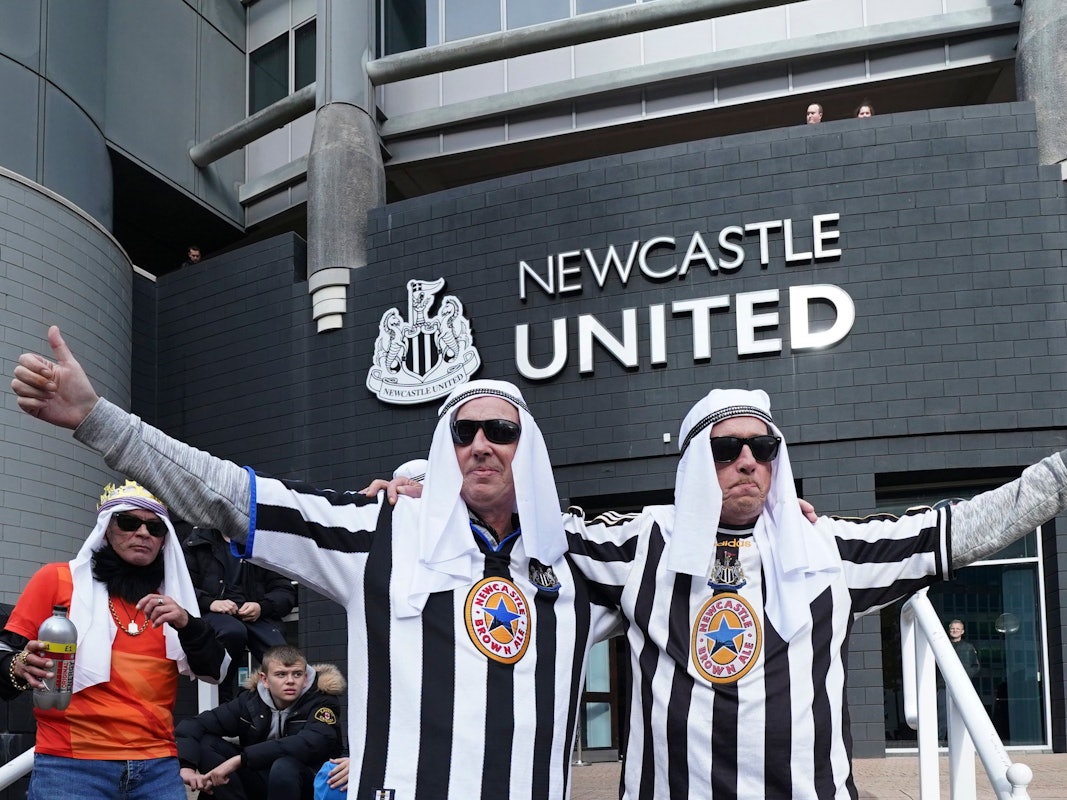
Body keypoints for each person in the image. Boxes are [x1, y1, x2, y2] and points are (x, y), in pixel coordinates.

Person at [11, 326, 621, 800]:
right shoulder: (378, 536)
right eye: (463, 433)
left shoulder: (579, 562)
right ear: (445, 450)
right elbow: (232, 495)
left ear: (529, 448)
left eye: (500, 431)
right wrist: (100, 421)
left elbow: (695, 563)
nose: (481, 444)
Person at [560, 388, 1067, 798]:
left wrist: (1059, 478)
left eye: (762, 449)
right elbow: (537, 536)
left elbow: (947, 533)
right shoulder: (639, 546)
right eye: (725, 449)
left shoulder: (824, 548)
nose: (746, 461)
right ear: (693, 462)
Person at [0, 480, 229, 800]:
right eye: (129, 522)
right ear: (107, 529)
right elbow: (6, 653)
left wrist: (188, 624)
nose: (143, 533)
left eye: (155, 527)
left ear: (164, 541)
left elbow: (216, 671)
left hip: (158, 767)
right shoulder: (57, 580)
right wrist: (18, 664)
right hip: (71, 767)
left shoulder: (173, 602)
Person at [176, 644, 344, 800]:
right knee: (208, 743)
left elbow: (311, 742)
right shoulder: (250, 702)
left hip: (308, 784)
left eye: (297, 674)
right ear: (264, 679)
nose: (290, 681)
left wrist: (240, 760)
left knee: (283, 766)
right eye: (281, 674)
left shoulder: (322, 701)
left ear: (305, 678)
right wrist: (186, 766)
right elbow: (194, 725)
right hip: (262, 780)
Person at [183, 526, 297, 701]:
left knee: (282, 657)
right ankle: (224, 701)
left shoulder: (263, 543)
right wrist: (211, 603)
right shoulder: (197, 542)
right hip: (213, 615)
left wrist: (262, 607)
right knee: (232, 633)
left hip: (257, 616)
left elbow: (285, 591)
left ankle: (288, 709)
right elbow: (182, 586)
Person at [937, 618, 981, 740]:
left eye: (957, 629)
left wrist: (961, 677)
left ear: (962, 631)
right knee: (942, 715)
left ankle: (963, 741)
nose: (955, 631)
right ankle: (940, 741)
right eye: (952, 629)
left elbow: (975, 667)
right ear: (949, 630)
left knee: (964, 715)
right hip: (943, 686)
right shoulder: (942, 646)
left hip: (962, 687)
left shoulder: (968, 648)